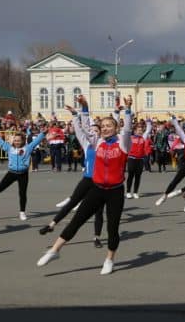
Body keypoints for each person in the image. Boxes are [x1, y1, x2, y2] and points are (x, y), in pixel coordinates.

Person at [37, 94, 132, 274]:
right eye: (103, 126)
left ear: (116, 127)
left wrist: (127, 111)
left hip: (115, 191)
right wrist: (85, 108)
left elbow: (127, 130)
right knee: (77, 219)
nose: (104, 129)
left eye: (108, 126)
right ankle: (54, 250)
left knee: (112, 228)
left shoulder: (123, 143)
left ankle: (109, 259)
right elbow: (87, 129)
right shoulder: (98, 142)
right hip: (97, 189)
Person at [38, 108, 104, 248]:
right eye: (91, 130)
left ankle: (96, 237)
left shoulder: (104, 145)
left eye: (96, 130)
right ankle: (51, 225)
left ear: (101, 133)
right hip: (87, 179)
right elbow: (80, 131)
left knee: (99, 211)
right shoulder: (87, 145)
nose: (93, 132)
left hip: (100, 182)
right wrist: (75, 115)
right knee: (72, 202)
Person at [0, 125, 47, 220]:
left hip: (23, 174)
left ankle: (22, 212)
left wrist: (44, 133)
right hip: (11, 173)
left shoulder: (27, 148)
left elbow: (36, 141)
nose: (16, 142)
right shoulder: (9, 148)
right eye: (15, 140)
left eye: (19, 140)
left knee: (22, 193)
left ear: (23, 141)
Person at [125, 117, 153, 198]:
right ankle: (128, 192)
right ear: (135, 131)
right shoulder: (130, 138)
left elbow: (148, 130)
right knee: (130, 176)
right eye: (138, 130)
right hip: (131, 158)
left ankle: (135, 192)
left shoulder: (143, 138)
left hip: (140, 159)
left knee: (138, 176)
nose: (140, 131)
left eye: (141, 130)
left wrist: (148, 122)